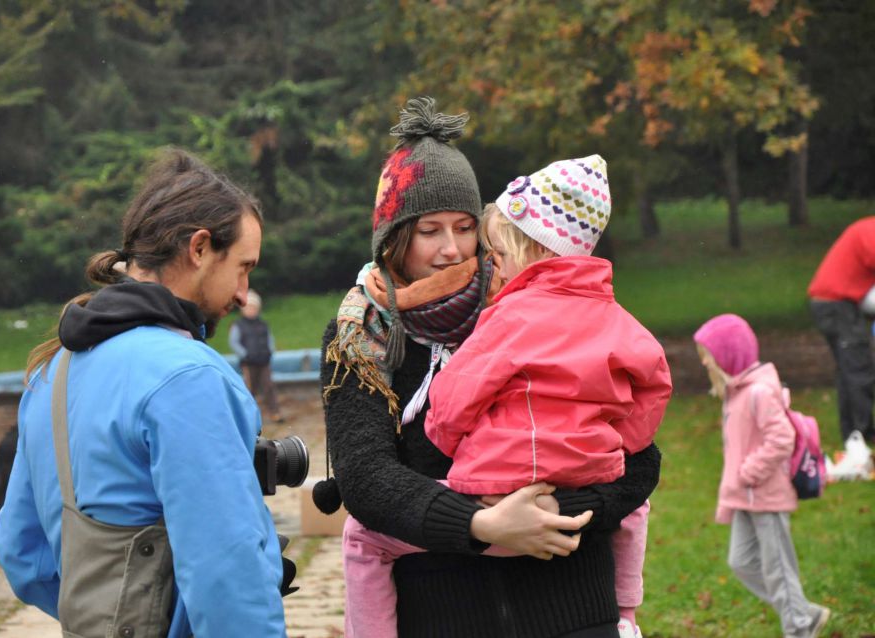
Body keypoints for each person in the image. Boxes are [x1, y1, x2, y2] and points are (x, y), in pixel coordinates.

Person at [317, 97, 662, 638]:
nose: (453, 249)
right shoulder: (360, 336)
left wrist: (553, 511)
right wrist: (482, 525)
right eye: (429, 230)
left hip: (575, 610)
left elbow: (638, 459)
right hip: (444, 616)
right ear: (393, 240)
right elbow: (365, 480)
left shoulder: (549, 307)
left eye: (464, 227)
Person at [0, 149, 286, 637]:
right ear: (198, 248)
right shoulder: (189, 378)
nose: (243, 292)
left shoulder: (52, 371)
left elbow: (22, 555)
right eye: (242, 266)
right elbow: (226, 573)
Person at [694, 314, 830, 638]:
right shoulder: (736, 392)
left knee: (779, 570)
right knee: (741, 562)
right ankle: (804, 612)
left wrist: (749, 472)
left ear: (728, 356)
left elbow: (782, 438)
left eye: (707, 357)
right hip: (746, 496)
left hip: (765, 495)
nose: (703, 363)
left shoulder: (758, 392)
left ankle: (798, 628)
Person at [807, 216, 875, 444]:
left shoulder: (864, 227)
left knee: (849, 370)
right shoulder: (870, 230)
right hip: (837, 305)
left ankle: (853, 433)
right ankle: (862, 434)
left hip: (831, 305)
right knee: (858, 369)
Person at [229, 289, 283, 422]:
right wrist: (245, 354)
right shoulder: (238, 325)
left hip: (264, 361)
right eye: (248, 307)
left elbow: (269, 339)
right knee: (249, 388)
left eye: (253, 307)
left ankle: (275, 412)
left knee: (268, 387)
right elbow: (234, 342)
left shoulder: (263, 325)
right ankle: (247, 416)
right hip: (249, 362)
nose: (251, 310)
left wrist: (270, 351)